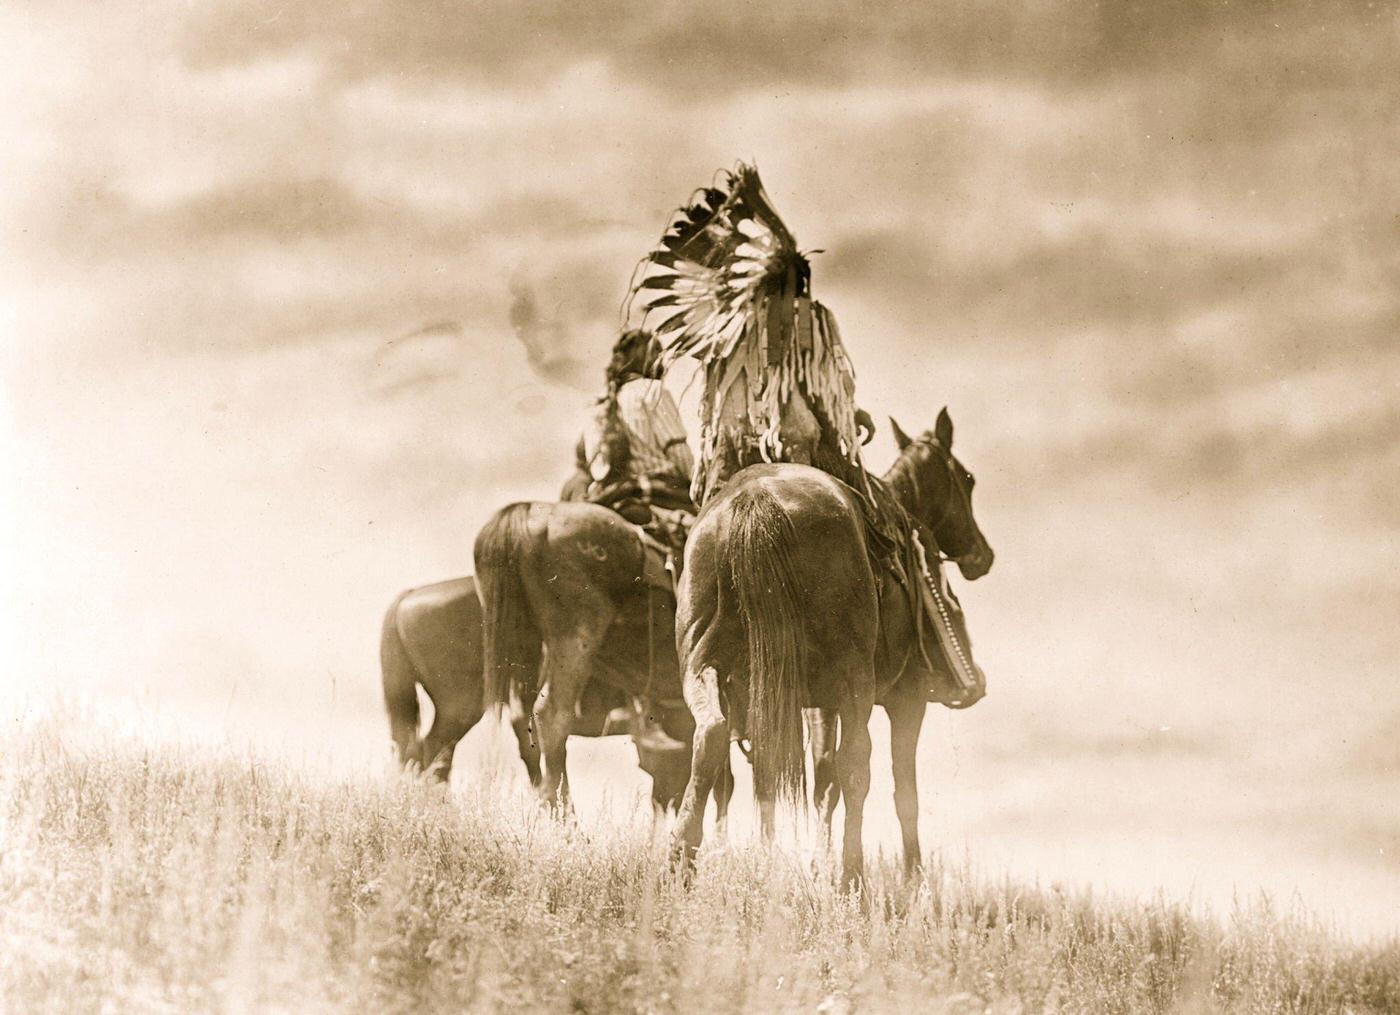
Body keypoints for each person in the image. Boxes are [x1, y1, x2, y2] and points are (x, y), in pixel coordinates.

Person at [626, 162, 873, 503]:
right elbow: (829, 393)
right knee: (869, 512)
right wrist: (854, 413)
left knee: (705, 512)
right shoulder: (808, 319)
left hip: (730, 457)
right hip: (796, 447)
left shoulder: (723, 333)